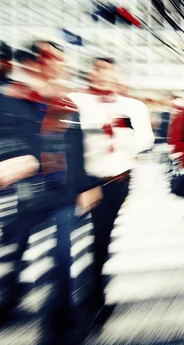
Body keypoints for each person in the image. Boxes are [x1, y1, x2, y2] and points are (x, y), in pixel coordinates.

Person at [0, 41, 101, 344]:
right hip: (22, 196)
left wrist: (87, 184)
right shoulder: (6, 100)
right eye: (54, 61)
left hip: (61, 195)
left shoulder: (64, 104)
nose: (62, 67)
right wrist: (8, 162)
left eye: (61, 61)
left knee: (62, 260)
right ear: (35, 64)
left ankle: (60, 326)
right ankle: (9, 299)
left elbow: (74, 149)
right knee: (14, 253)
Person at [69, 57, 154, 322]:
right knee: (71, 236)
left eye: (110, 71)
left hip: (117, 180)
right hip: (84, 180)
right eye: (99, 71)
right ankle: (83, 289)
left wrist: (120, 130)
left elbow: (146, 139)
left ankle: (93, 288)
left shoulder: (132, 106)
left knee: (102, 236)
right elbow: (70, 140)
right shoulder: (79, 102)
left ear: (118, 76)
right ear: (91, 75)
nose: (105, 76)